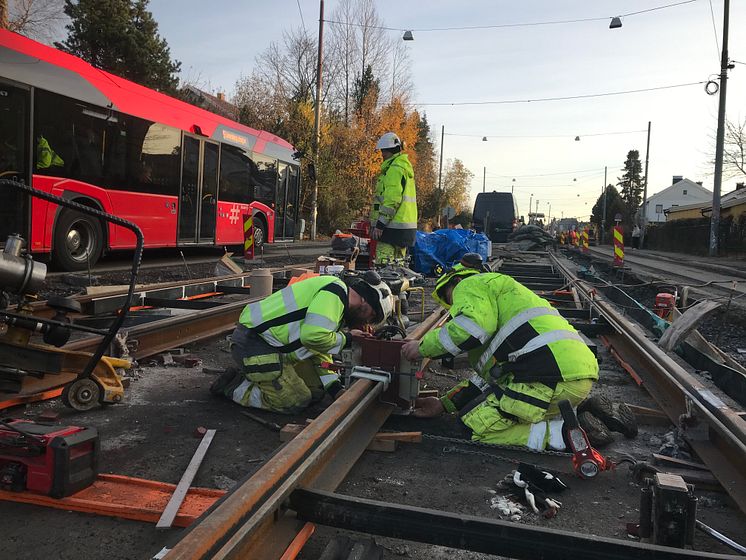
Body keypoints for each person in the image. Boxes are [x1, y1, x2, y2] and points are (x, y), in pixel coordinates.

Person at [401, 257, 604, 450]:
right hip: (574, 377)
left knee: (474, 427)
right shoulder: (506, 298)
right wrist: (444, 404)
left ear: (457, 280)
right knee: (495, 406)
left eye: (449, 297)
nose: (455, 308)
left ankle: (565, 434)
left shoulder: (469, 284)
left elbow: (470, 328)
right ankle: (578, 413)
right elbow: (489, 381)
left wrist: (421, 347)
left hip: (546, 378)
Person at [212, 273, 393, 414]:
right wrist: (348, 338)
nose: (367, 322)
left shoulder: (337, 301)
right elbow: (313, 337)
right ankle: (234, 385)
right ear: (364, 300)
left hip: (271, 345)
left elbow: (318, 348)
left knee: (315, 391)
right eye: (371, 315)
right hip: (254, 344)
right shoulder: (335, 294)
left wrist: (335, 389)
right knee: (295, 402)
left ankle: (261, 379)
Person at [370, 132, 417, 265]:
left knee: (384, 268)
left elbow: (391, 199)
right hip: (404, 229)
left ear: (389, 151)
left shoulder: (394, 169)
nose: (382, 155)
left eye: (383, 151)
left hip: (391, 229)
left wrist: (380, 224)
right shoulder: (404, 167)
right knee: (398, 269)